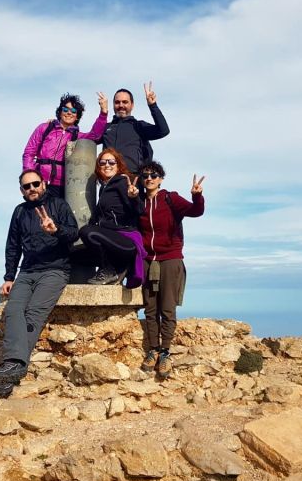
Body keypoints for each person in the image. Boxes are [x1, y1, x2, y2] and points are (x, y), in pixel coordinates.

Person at [0, 169, 79, 398]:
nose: (32, 189)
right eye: (27, 186)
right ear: (22, 191)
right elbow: (13, 246)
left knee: (34, 313)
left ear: (43, 183)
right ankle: (15, 367)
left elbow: (74, 234)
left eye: (35, 184)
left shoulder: (59, 205)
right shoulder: (19, 212)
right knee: (13, 309)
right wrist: (9, 277)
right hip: (27, 271)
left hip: (55, 270)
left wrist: (56, 230)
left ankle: (10, 367)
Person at [137, 161, 205, 379]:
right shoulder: (138, 203)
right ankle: (153, 351)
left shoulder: (170, 198)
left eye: (154, 175)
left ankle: (165, 352)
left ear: (161, 178)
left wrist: (196, 196)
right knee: (149, 308)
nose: (149, 178)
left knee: (167, 308)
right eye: (146, 175)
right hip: (148, 260)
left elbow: (196, 212)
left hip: (170, 259)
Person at [78, 148, 146, 286]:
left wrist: (134, 197)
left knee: (87, 232)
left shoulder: (122, 182)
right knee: (75, 256)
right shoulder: (104, 188)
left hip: (126, 239)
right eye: (102, 163)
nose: (107, 165)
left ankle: (110, 271)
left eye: (111, 162)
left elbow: (139, 210)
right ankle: (117, 267)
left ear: (118, 165)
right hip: (111, 240)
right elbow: (97, 217)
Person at [23, 92, 109, 197]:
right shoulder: (44, 128)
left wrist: (103, 112)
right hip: (39, 183)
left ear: (77, 116)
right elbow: (29, 153)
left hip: (61, 186)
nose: (69, 113)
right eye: (65, 109)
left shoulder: (78, 137)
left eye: (73, 111)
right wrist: (30, 178)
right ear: (60, 112)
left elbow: (95, 136)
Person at [100, 82, 169, 177]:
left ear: (132, 105)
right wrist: (103, 113)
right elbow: (88, 138)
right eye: (117, 102)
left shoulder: (139, 126)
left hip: (133, 181)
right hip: (109, 180)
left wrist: (153, 105)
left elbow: (163, 130)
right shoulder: (106, 128)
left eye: (125, 102)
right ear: (113, 105)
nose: (121, 105)